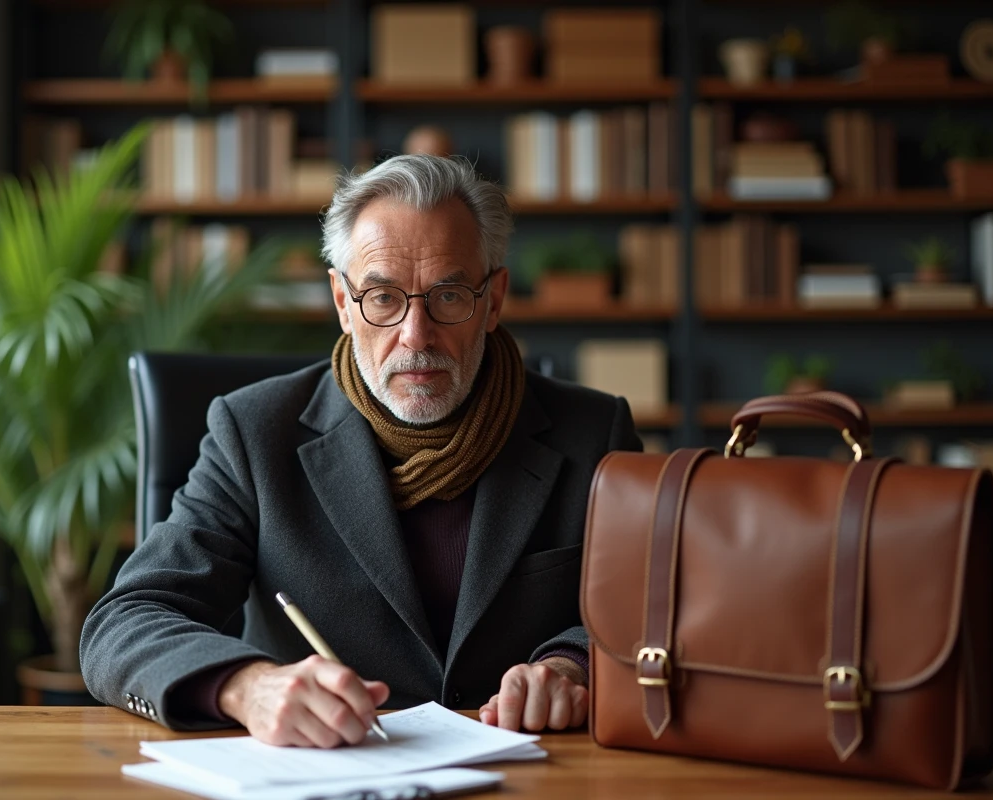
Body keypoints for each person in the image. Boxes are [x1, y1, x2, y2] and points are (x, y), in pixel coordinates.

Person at [80, 154, 642, 748]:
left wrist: (571, 665)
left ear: (494, 300)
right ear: (344, 304)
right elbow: (124, 621)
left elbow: (650, 607)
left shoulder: (594, 432)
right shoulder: (253, 433)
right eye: (382, 297)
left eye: (448, 296)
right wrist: (247, 687)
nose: (415, 334)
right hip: (325, 774)